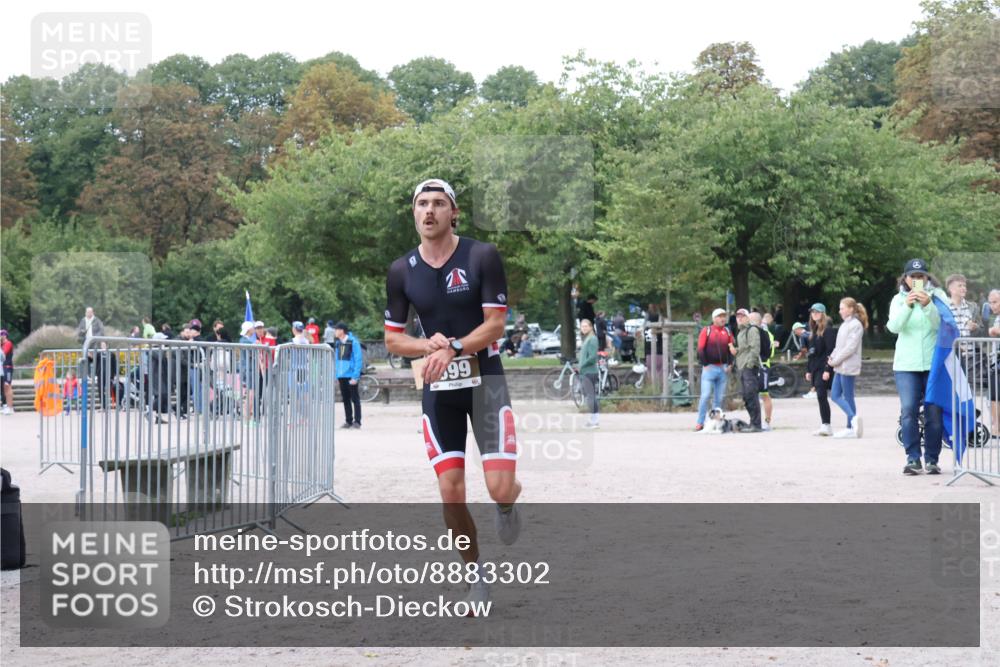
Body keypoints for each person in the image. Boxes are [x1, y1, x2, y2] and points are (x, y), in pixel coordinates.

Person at [384, 177, 522, 613]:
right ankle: (475, 575)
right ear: (414, 213)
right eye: (421, 204)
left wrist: (454, 346)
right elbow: (393, 340)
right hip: (439, 390)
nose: (429, 211)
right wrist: (427, 346)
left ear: (453, 212)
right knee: (451, 491)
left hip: (486, 383)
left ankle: (505, 506)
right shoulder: (401, 270)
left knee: (499, 487)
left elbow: (495, 325)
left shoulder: (481, 255)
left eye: (438, 204)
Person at [887, 259, 944, 475]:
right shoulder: (897, 300)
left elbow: (941, 325)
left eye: (921, 276)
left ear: (927, 278)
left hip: (933, 363)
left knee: (933, 413)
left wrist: (928, 305)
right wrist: (908, 306)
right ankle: (912, 458)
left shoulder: (938, 297)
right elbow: (893, 327)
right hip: (906, 365)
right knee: (909, 410)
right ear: (906, 279)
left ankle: (932, 459)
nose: (917, 280)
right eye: (913, 277)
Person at [827, 297, 868, 438]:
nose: (840, 311)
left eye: (842, 308)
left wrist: (835, 360)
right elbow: (839, 346)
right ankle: (852, 421)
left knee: (847, 396)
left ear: (851, 309)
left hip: (848, 366)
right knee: (835, 395)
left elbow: (850, 348)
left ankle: (851, 423)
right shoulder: (845, 325)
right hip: (840, 365)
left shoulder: (856, 325)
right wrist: (832, 357)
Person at [694, 308, 734, 432]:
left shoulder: (727, 331)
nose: (722, 318)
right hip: (709, 368)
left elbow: (731, 348)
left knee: (719, 398)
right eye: (719, 316)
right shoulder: (707, 330)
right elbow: (700, 349)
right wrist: (705, 364)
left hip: (723, 368)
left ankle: (716, 423)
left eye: (724, 316)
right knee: (705, 396)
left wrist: (731, 364)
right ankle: (700, 422)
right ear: (713, 318)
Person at [805, 303, 837, 436]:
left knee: (822, 395)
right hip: (815, 368)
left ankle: (826, 424)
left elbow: (831, 351)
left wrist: (827, 369)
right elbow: (811, 353)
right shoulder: (813, 331)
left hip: (823, 368)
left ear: (823, 313)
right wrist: (808, 370)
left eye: (817, 312)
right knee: (820, 396)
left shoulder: (828, 330)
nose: (814, 314)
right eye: (812, 312)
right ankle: (825, 424)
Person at [728, 308, 762, 432]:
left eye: (742, 316)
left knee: (751, 395)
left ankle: (757, 425)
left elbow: (755, 348)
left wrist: (750, 364)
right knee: (747, 396)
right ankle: (752, 422)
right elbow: (744, 349)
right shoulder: (740, 332)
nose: (740, 318)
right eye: (738, 316)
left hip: (749, 367)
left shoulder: (752, 330)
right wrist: (736, 350)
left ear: (748, 318)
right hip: (742, 366)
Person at [749, 312, 777, 430]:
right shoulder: (748, 333)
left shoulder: (766, 334)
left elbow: (770, 353)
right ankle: (755, 421)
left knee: (764, 394)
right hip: (751, 367)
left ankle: (767, 421)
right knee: (751, 395)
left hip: (763, 366)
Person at [578, 319, 600, 429]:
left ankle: (595, 420)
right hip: (585, 371)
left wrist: (582, 365)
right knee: (588, 396)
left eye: (586, 326)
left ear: (591, 327)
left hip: (590, 371)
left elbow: (592, 357)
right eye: (582, 326)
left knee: (591, 396)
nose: (584, 328)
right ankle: (593, 419)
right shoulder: (587, 339)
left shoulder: (592, 339)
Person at [985, 289, 1000, 441]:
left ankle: (997, 427)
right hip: (996, 360)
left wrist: (993, 330)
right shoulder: (996, 318)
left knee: (994, 395)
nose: (992, 306)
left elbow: (996, 331)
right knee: (993, 396)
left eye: (995, 302)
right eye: (990, 302)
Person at [0, 330, 14, 414]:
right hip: (2, 368)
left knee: (7, 386)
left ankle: (10, 407)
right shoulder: (1, 345)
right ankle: (6, 407)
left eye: (3, 334)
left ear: (6, 335)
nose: (2, 336)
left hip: (7, 367)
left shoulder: (8, 343)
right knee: (4, 388)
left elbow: (3, 354)